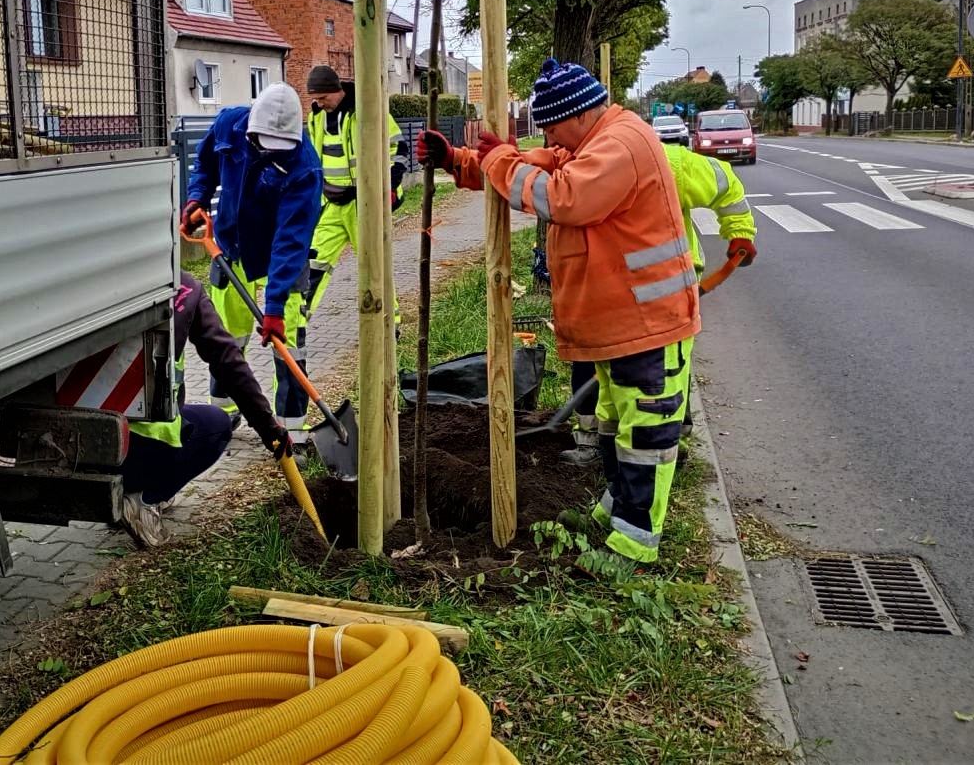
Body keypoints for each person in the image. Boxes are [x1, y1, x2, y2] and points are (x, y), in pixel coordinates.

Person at [416, 59, 699, 564]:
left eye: (549, 124)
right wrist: (460, 161)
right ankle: (616, 512)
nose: (548, 136)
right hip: (622, 321)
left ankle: (633, 547)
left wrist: (502, 161)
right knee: (616, 425)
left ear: (575, 114)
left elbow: (562, 196)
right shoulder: (591, 142)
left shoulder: (622, 144)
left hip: (649, 323)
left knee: (646, 434)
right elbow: (537, 164)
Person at [559, 137, 758, 464]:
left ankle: (670, 439)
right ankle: (600, 443)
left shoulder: (667, 161)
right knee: (605, 366)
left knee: (665, 369)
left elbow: (724, 182)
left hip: (669, 287)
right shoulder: (579, 163)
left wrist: (740, 231)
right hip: (613, 289)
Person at [182, 82, 322, 438]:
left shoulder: (305, 169)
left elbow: (290, 242)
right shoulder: (230, 124)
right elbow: (206, 162)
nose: (270, 152)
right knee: (227, 335)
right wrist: (197, 197)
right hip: (231, 246)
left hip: (281, 257)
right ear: (251, 128)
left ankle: (293, 431)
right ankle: (224, 414)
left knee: (288, 339)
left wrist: (273, 307)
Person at [120, 272, 294, 546]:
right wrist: (268, 427)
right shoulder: (184, 288)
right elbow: (228, 363)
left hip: (68, 445)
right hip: (140, 444)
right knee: (216, 425)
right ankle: (142, 499)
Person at [303, 64, 408, 320]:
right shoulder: (316, 116)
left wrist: (390, 184)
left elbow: (398, 146)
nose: (319, 103)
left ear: (336, 90)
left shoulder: (367, 110)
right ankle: (298, 315)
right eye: (315, 98)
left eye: (323, 98)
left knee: (374, 265)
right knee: (313, 261)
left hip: (363, 205)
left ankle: (388, 321)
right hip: (330, 204)